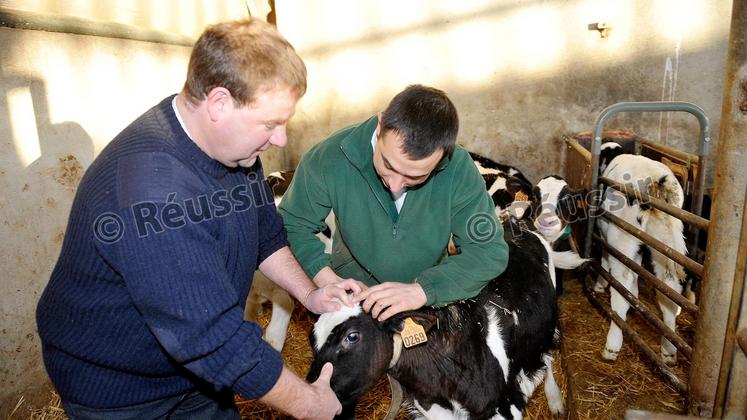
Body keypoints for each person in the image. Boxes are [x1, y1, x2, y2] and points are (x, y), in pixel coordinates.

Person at [36, 18, 361, 420]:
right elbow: (214, 340)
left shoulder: (237, 153)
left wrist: (309, 294)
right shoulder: (153, 191)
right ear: (219, 103)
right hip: (121, 390)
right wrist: (309, 403)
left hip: (194, 374)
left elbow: (266, 235)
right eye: (270, 123)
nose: (279, 138)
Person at [278, 85, 509, 322]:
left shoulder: (458, 169)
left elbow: (488, 251)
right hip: (350, 299)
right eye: (388, 165)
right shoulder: (330, 157)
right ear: (380, 126)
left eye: (415, 176)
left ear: (442, 157)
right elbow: (291, 224)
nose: (395, 185)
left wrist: (424, 290)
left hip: (426, 301)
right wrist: (326, 278)